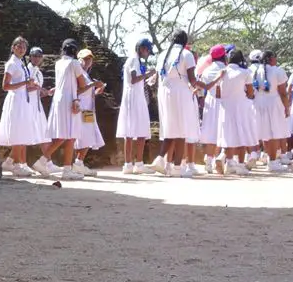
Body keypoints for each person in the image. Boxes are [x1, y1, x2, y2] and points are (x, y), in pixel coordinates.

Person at [149, 31, 207, 178]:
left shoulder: (162, 54)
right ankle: (176, 168)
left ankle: (160, 159)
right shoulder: (186, 54)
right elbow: (193, 80)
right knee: (181, 130)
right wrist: (206, 85)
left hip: (164, 91)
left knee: (171, 128)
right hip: (180, 92)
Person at [32, 38, 86, 181]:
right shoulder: (74, 63)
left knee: (67, 135)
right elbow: (82, 84)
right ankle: (43, 161)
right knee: (67, 134)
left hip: (59, 99)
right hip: (69, 100)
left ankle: (65, 168)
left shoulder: (58, 63)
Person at [0, 37, 42, 178]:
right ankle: (15, 164)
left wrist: (32, 86)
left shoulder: (20, 63)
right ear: (13, 47)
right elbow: (5, 86)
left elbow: (22, 85)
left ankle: (12, 162)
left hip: (23, 100)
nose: (22, 49)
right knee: (18, 132)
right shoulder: (11, 63)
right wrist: (25, 83)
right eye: (19, 46)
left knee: (22, 132)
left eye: (24, 47)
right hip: (16, 101)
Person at [115, 38, 154, 174]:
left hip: (136, 96)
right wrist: (148, 74)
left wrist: (147, 77)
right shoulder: (133, 60)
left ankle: (135, 163)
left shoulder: (136, 61)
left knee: (138, 130)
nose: (148, 54)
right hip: (133, 98)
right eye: (148, 51)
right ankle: (131, 163)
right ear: (142, 48)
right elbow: (133, 79)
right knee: (132, 131)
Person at [216, 49, 257, 175]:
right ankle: (240, 164)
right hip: (240, 106)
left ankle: (229, 163)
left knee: (228, 135)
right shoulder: (245, 72)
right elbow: (250, 93)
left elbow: (218, 94)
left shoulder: (222, 72)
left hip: (225, 107)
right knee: (241, 135)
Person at [252, 50, 291, 172]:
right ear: (271, 59)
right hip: (273, 103)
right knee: (273, 133)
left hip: (258, 103)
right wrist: (286, 107)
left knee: (265, 133)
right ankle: (273, 162)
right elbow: (283, 93)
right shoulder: (278, 71)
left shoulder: (254, 71)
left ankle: (270, 159)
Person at [73, 48, 106, 176]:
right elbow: (77, 91)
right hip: (81, 109)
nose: (88, 61)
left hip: (88, 109)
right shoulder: (79, 73)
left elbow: (88, 93)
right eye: (85, 59)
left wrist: (98, 90)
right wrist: (93, 85)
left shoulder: (86, 75)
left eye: (89, 59)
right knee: (84, 136)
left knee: (88, 136)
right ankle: (78, 162)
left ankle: (79, 162)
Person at [197, 44, 228, 175]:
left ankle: (209, 162)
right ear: (224, 56)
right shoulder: (227, 69)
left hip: (210, 101)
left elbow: (201, 89)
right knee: (221, 132)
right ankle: (217, 160)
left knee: (210, 132)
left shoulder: (206, 71)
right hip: (224, 102)